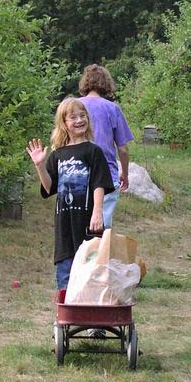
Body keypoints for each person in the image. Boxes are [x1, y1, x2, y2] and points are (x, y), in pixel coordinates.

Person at [26, 97, 114, 291]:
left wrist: (97, 212)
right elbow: (49, 188)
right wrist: (40, 165)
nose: (79, 120)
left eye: (82, 115)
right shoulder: (58, 154)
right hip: (64, 224)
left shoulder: (93, 151)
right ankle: (64, 318)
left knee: (91, 270)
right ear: (64, 124)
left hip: (88, 222)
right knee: (65, 271)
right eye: (73, 117)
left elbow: (99, 183)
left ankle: (92, 315)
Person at [79, 64, 133, 229]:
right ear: (106, 83)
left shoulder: (74, 106)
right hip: (106, 175)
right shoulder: (113, 109)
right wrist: (124, 173)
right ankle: (100, 254)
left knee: (78, 227)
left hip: (77, 173)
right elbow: (122, 149)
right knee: (102, 229)